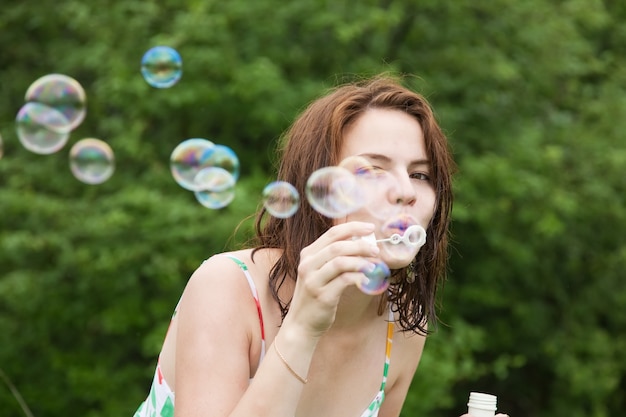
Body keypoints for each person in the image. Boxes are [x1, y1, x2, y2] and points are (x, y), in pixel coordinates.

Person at [134, 74, 509, 417]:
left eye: (420, 174)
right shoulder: (228, 287)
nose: (406, 192)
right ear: (321, 190)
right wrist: (302, 327)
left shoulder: (404, 325)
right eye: (373, 170)